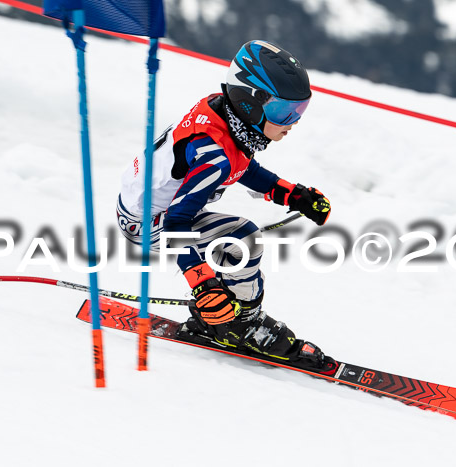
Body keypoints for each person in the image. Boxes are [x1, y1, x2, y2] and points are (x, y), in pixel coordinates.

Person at [116, 40, 338, 375]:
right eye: (283, 112)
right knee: (243, 240)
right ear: (250, 103)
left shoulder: (225, 116)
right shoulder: (213, 155)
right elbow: (178, 220)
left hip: (148, 207)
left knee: (237, 241)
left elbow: (242, 166)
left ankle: (227, 318)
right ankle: (240, 327)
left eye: (299, 112)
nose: (291, 123)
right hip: (148, 222)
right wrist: (201, 282)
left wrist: (292, 195)